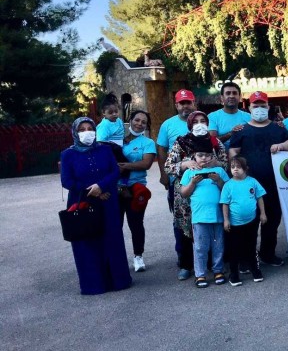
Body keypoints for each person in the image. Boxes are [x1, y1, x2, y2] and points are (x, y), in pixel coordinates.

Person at [60, 117, 132, 295]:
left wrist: (101, 186)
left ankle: (119, 280)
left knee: (112, 238)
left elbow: (115, 171)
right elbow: (67, 180)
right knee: (87, 242)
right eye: (82, 129)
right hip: (82, 202)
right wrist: (93, 191)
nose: (87, 132)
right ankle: (94, 284)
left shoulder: (105, 150)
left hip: (108, 201)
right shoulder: (68, 154)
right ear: (75, 133)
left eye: (89, 128)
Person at [229, 91, 288, 267]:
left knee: (272, 222)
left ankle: (267, 253)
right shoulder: (241, 130)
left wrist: (280, 146)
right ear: (249, 108)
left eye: (262, 105)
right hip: (247, 187)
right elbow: (233, 152)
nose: (259, 109)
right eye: (255, 106)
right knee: (248, 223)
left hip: (273, 185)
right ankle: (246, 258)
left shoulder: (278, 128)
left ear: (268, 107)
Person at [164, 111, 228, 280]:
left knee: (213, 229)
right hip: (187, 192)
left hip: (211, 192)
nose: (200, 124)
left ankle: (214, 266)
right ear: (190, 125)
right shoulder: (181, 142)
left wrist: (216, 163)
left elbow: (226, 164)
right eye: (196, 122)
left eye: (203, 121)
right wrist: (185, 164)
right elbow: (168, 166)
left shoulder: (215, 142)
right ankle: (186, 265)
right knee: (187, 230)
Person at [180, 140, 230, 288]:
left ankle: (218, 270)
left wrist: (219, 180)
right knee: (200, 247)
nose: (204, 158)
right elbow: (183, 193)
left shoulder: (219, 171)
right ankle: (200, 274)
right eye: (200, 155)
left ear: (212, 156)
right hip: (200, 217)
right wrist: (193, 183)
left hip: (218, 216)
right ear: (194, 156)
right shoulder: (190, 173)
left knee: (218, 246)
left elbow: (227, 190)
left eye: (207, 155)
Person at [156, 88, 196, 264]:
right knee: (180, 221)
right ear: (176, 105)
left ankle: (207, 259)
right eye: (182, 103)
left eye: (188, 102)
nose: (185, 106)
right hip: (178, 181)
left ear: (194, 103)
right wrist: (164, 175)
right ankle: (184, 260)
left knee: (205, 218)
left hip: (203, 181)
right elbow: (161, 149)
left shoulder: (202, 121)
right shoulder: (168, 124)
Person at [117, 110, 156, 272]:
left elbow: (146, 164)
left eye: (143, 122)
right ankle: (117, 257)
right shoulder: (117, 141)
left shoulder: (147, 143)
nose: (139, 124)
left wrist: (124, 166)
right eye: (137, 120)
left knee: (136, 224)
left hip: (136, 189)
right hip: (115, 189)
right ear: (130, 120)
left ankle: (138, 257)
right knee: (115, 224)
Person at [220, 156, 267, 285]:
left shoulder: (252, 182)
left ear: (246, 169)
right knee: (234, 249)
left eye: (239, 167)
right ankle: (234, 275)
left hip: (251, 222)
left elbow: (259, 198)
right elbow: (225, 203)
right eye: (233, 167)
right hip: (234, 224)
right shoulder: (228, 185)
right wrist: (226, 220)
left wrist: (263, 213)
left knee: (251, 247)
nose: (235, 170)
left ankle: (255, 271)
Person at [207, 81, 251, 150]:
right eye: (228, 93)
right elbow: (212, 142)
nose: (231, 96)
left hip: (244, 158)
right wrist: (231, 133)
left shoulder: (249, 117)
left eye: (234, 93)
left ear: (239, 97)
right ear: (222, 98)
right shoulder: (212, 117)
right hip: (221, 159)